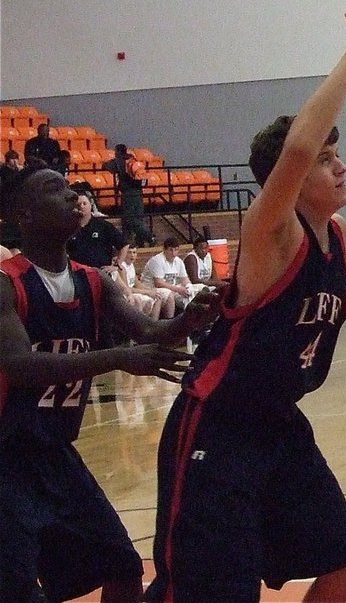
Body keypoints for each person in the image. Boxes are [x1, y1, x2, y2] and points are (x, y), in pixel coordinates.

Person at [144, 0, 346, 602]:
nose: (338, 163)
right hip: (217, 429)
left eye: (336, 156)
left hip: (279, 427)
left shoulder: (331, 237)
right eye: (325, 158)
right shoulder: (269, 230)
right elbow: (295, 152)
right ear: (289, 177)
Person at [0, 166, 222, 603]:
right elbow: (18, 365)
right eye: (54, 189)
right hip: (5, 458)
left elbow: (152, 332)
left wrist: (195, 315)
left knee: (121, 566)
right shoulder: (7, 284)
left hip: (55, 454)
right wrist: (120, 358)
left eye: (70, 187)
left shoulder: (93, 279)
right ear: (24, 215)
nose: (72, 195)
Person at [102, 144, 155, 247]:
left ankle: (149, 236)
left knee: (129, 218)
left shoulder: (118, 161)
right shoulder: (133, 159)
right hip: (139, 192)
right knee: (137, 218)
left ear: (117, 151)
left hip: (128, 194)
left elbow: (105, 166)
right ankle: (136, 243)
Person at [66, 192, 128, 274]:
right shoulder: (69, 228)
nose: (82, 206)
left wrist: (116, 265)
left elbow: (124, 245)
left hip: (101, 273)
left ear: (90, 205)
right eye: (78, 204)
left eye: (84, 203)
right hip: (78, 274)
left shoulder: (103, 225)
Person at [140, 236, 205, 312]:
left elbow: (185, 279)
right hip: (153, 288)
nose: (174, 254)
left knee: (201, 288)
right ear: (164, 249)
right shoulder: (157, 260)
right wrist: (178, 289)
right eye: (171, 250)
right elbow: (159, 283)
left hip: (173, 288)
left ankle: (200, 315)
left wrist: (188, 287)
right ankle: (169, 320)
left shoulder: (178, 261)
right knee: (169, 295)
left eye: (176, 250)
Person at [0, 150, 23, 251]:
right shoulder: (3, 171)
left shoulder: (18, 171)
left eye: (16, 158)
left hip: (16, 200)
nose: (15, 161)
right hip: (6, 200)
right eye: (12, 159)